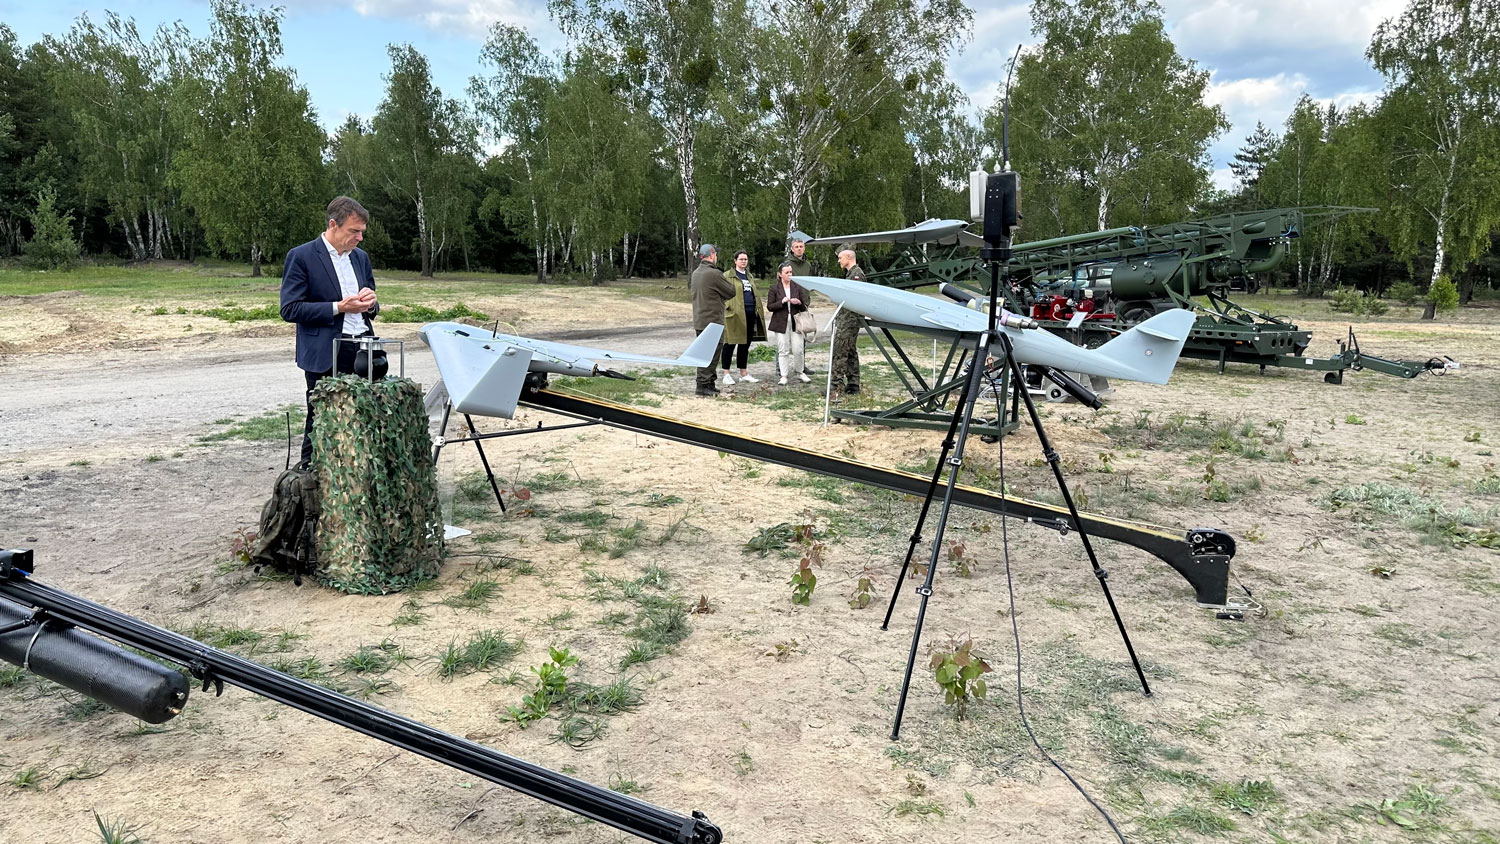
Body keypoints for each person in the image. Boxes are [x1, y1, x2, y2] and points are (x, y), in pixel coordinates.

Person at [280, 196, 379, 466]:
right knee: (321, 419)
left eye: (362, 232)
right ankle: (308, 481)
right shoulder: (301, 256)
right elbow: (290, 309)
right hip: (325, 352)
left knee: (363, 417)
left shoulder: (360, 258)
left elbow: (371, 304)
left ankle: (355, 479)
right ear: (333, 225)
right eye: (354, 231)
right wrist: (338, 307)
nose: (359, 237)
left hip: (363, 349)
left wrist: (371, 303)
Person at [689, 243, 734, 397]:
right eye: (716, 254)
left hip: (700, 319)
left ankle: (708, 383)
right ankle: (703, 385)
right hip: (713, 320)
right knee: (712, 353)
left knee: (702, 353)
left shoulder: (696, 273)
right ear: (712, 254)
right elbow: (731, 291)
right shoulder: (714, 274)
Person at [720, 250, 767, 385]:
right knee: (730, 343)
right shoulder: (727, 276)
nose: (743, 261)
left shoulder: (749, 276)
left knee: (745, 344)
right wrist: (729, 306)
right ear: (735, 261)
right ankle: (726, 374)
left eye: (745, 259)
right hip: (734, 315)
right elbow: (721, 294)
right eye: (741, 259)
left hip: (750, 313)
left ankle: (743, 372)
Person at [766, 261, 812, 386]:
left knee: (798, 349)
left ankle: (800, 372)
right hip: (780, 322)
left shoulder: (797, 287)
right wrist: (781, 301)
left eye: (791, 272)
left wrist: (798, 303)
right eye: (787, 272)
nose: (789, 274)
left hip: (796, 321)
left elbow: (804, 307)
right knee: (783, 349)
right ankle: (784, 375)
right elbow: (770, 306)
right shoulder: (774, 288)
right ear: (780, 274)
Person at [829, 244, 864, 395]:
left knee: (840, 351)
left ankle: (836, 385)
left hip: (849, 320)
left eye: (840, 258)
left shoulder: (856, 275)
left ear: (849, 257)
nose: (839, 261)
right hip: (847, 319)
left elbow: (853, 299)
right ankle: (853, 384)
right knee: (850, 351)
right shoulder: (850, 274)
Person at [785, 231, 816, 379]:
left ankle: (801, 366)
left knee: (802, 334)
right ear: (792, 249)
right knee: (784, 336)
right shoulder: (787, 264)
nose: (799, 249)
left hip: (803, 304)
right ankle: (781, 367)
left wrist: (807, 300)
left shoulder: (807, 265)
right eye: (796, 246)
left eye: (801, 246)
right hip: (789, 304)